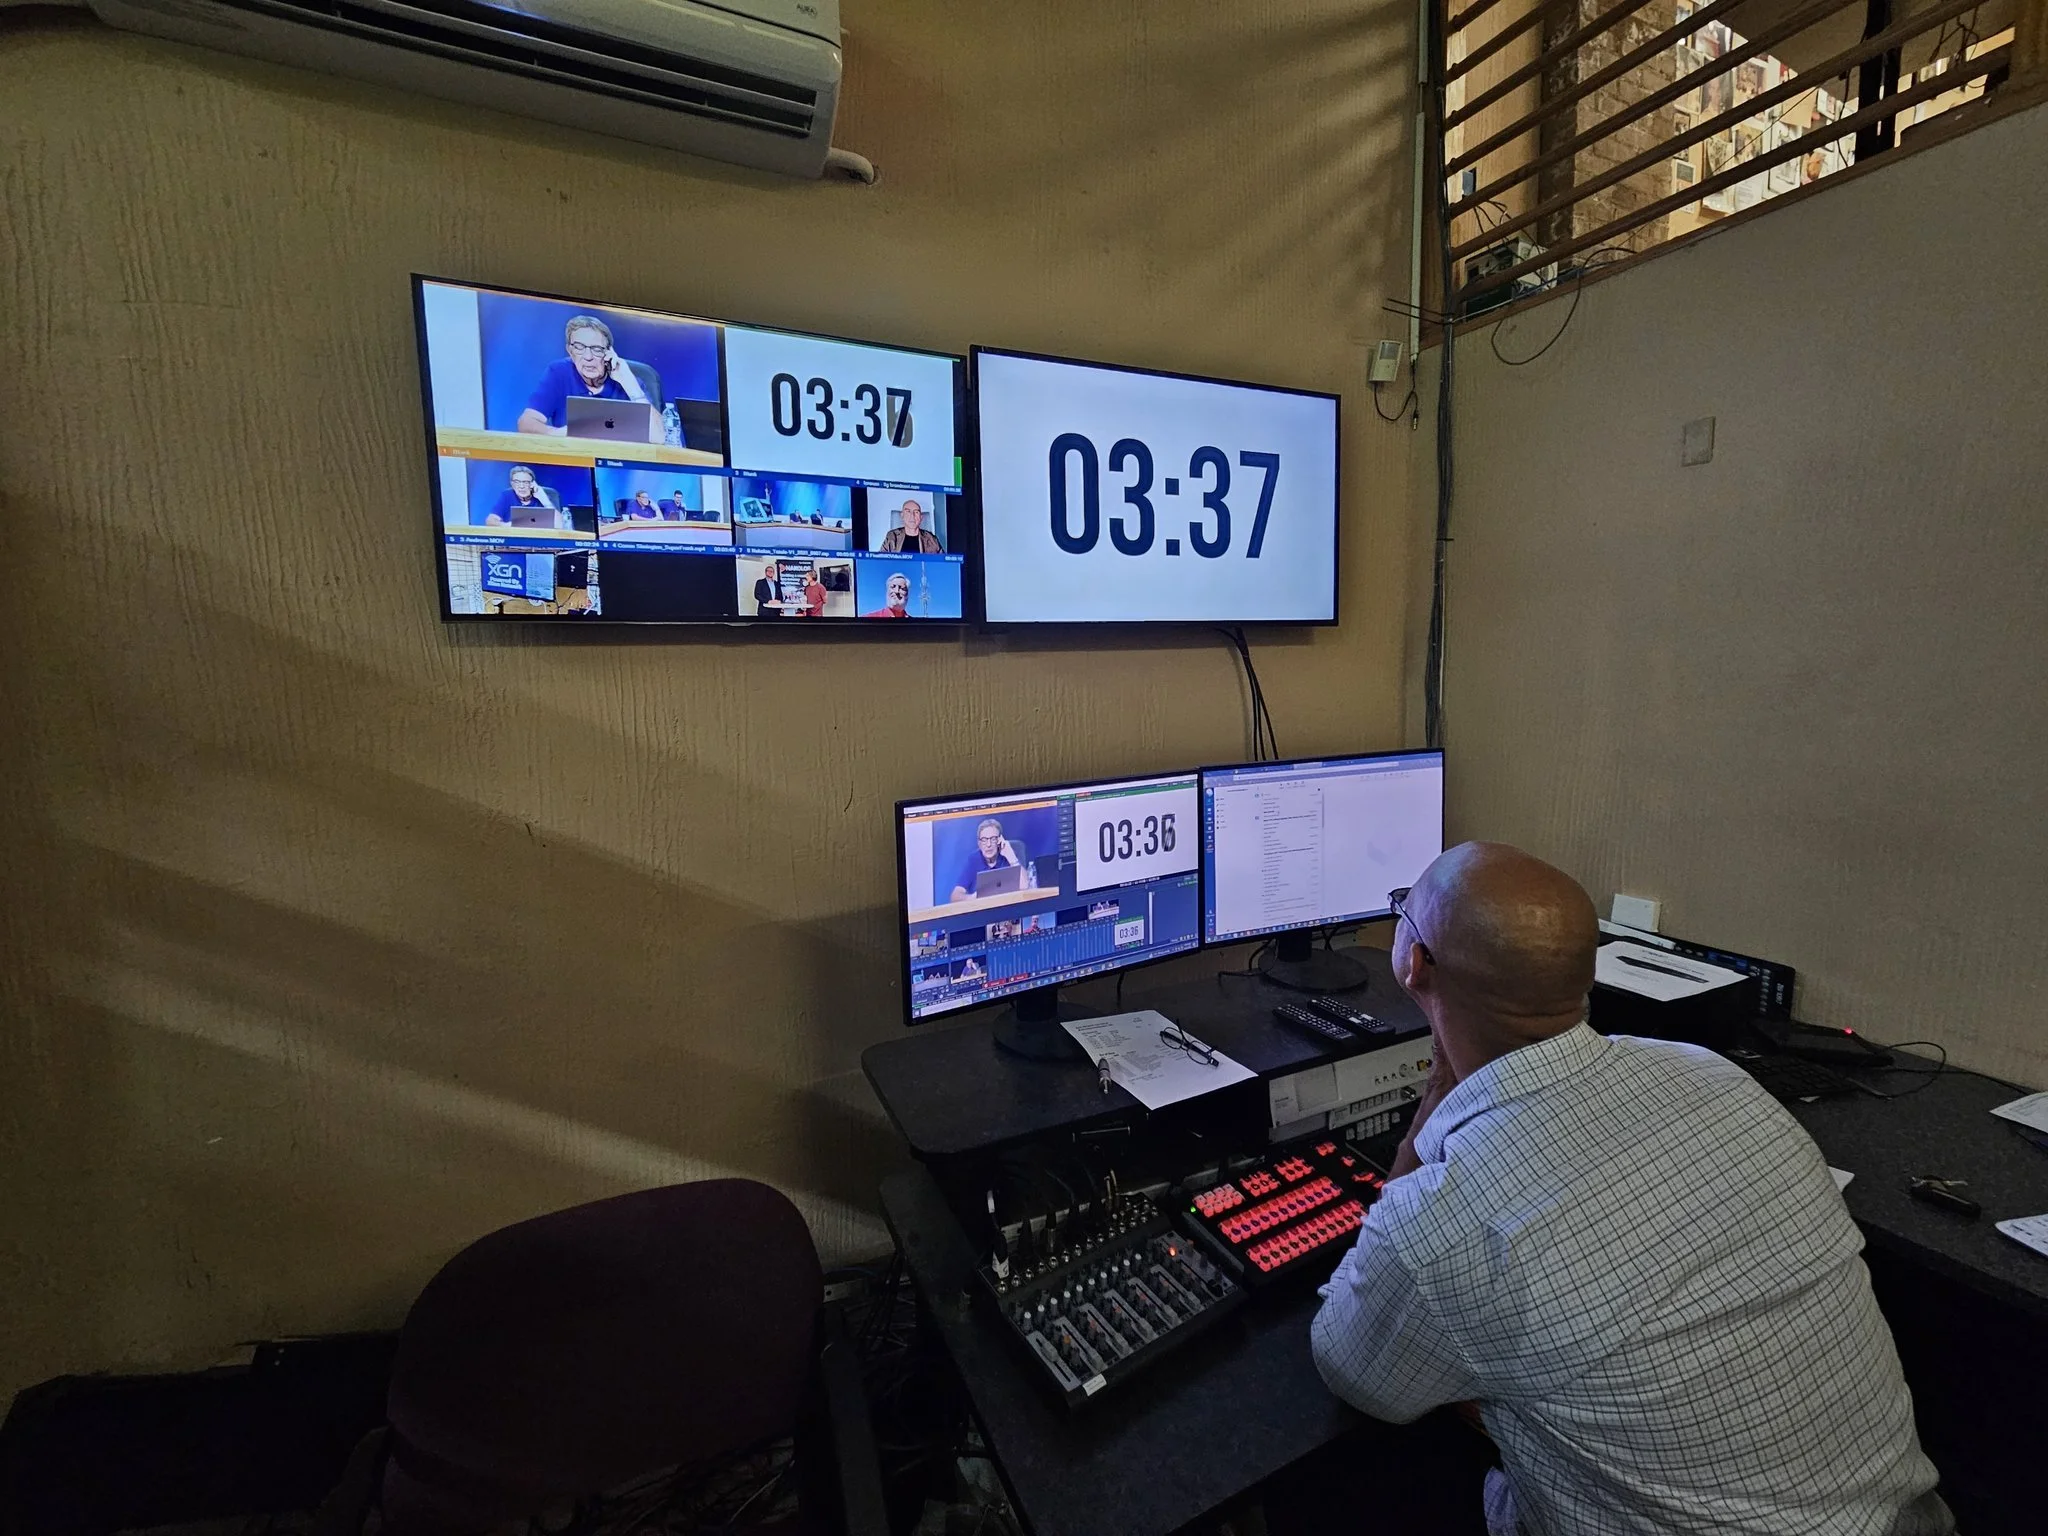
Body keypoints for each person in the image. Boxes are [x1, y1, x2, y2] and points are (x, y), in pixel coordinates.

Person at [1309, 843, 1952, 1536]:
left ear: (1414, 962)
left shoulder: (1446, 1228)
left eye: (1401, 908)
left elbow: (1359, 1373)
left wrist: (1421, 1131)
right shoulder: (1714, 1077)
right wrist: (1447, 1082)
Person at [517, 314, 657, 440]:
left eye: (596, 349)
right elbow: (527, 423)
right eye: (579, 347)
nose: (588, 357)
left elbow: (658, 437)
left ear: (609, 352)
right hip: (573, 457)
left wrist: (629, 383)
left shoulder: (628, 380)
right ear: (570, 351)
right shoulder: (559, 372)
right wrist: (560, 434)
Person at [948, 817, 1034, 903]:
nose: (988, 844)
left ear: (999, 840)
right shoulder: (974, 860)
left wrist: (1011, 857)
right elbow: (955, 896)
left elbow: (1025, 886)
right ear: (979, 843)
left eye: (993, 839)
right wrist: (973, 898)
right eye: (984, 840)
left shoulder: (1008, 855)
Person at [481, 466, 559, 526]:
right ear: (512, 484)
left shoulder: (542, 496)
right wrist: (508, 526)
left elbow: (559, 525)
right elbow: (490, 521)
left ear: (532, 484)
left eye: (526, 482)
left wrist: (544, 500)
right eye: (517, 482)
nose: (521, 486)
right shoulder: (507, 495)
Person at [878, 498, 943, 553]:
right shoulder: (892, 536)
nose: (912, 516)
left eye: (916, 512)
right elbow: (881, 560)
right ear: (902, 516)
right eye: (908, 512)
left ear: (921, 517)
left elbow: (942, 561)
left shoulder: (931, 538)